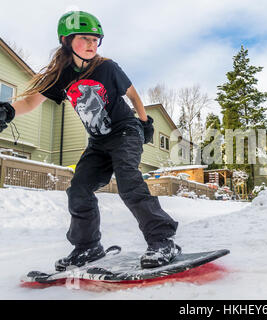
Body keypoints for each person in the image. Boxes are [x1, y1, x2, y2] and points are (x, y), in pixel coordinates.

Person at [0, 11, 180, 270]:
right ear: (66, 40)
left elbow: (133, 95)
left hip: (125, 131)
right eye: (84, 39)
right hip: (98, 141)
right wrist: (8, 110)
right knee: (79, 189)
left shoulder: (107, 67)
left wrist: (144, 122)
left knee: (128, 179)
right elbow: (31, 100)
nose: (91, 44)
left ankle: (162, 241)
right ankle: (87, 248)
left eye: (96, 40)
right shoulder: (61, 76)